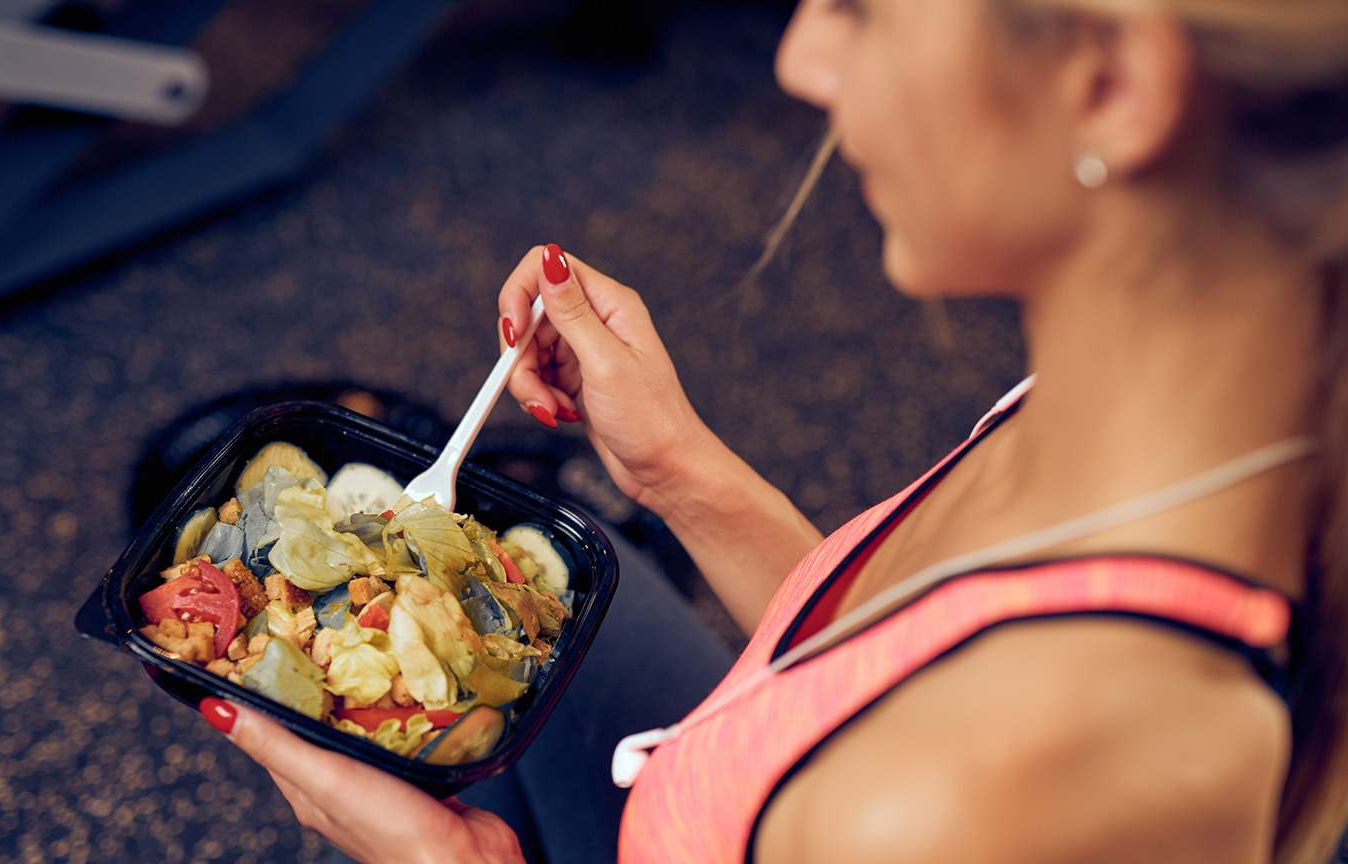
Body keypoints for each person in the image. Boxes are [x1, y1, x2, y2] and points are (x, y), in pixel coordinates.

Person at [194, 0, 1348, 861]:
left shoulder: (965, 805)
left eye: (858, 8)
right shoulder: (1168, 405)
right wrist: (679, 471)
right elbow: (893, 661)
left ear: (1110, 85)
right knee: (573, 597)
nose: (800, 60)